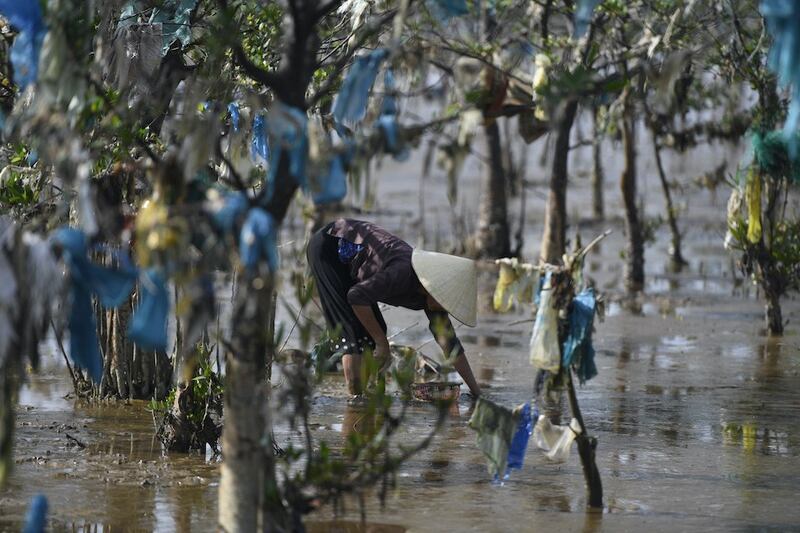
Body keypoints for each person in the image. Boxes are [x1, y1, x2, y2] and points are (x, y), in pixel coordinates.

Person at [307, 218, 482, 397]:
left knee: (374, 330)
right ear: (434, 288)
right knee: (353, 334)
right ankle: (356, 400)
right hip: (330, 247)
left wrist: (476, 393)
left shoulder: (434, 301)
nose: (445, 307)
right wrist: (381, 342)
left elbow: (451, 346)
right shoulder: (402, 273)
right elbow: (356, 296)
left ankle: (365, 395)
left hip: (352, 265)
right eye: (445, 301)